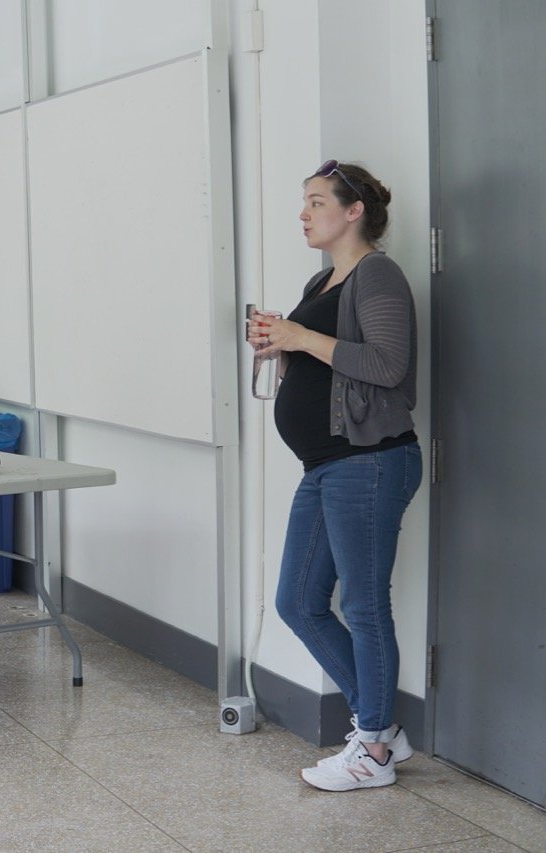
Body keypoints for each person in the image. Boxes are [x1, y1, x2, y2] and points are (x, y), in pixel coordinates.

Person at [249, 160, 421, 792]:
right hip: (326, 465)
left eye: (317, 202)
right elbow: (327, 372)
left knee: (363, 605)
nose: (304, 213)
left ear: (354, 212)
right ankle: (382, 728)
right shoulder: (323, 279)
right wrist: (282, 347)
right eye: (304, 203)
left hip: (370, 462)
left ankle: (373, 751)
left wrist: (299, 334)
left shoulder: (377, 274)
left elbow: (386, 363)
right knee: (297, 601)